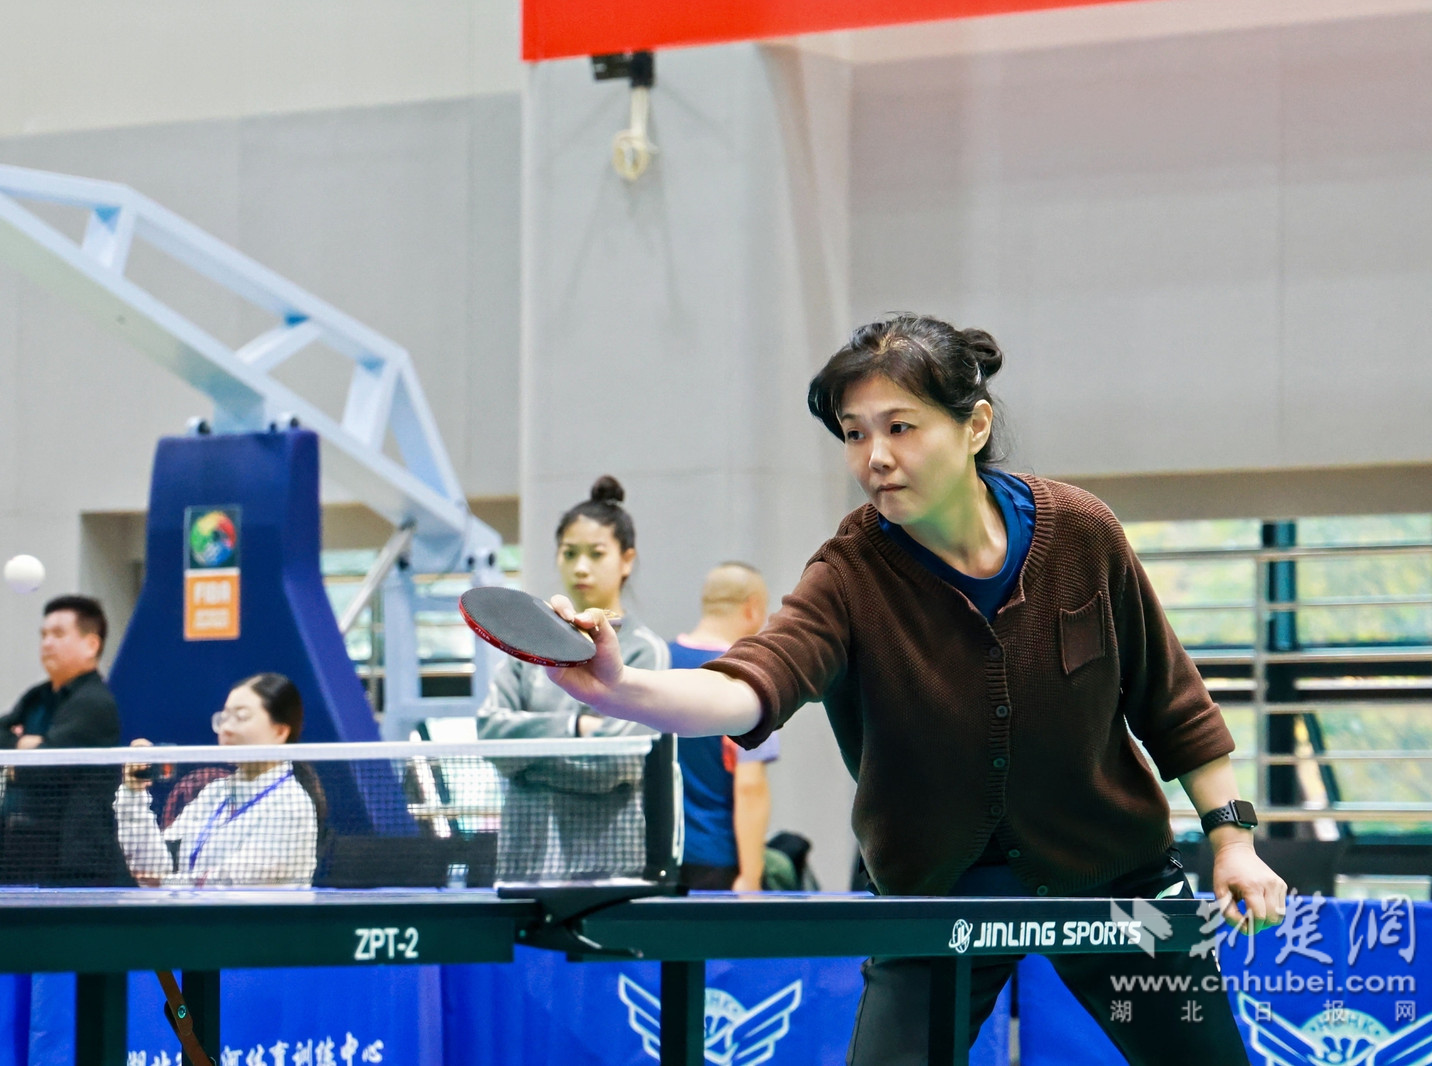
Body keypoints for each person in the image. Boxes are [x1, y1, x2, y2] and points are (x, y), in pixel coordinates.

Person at [537, 315, 1286, 1065]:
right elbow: (756, 681)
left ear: (974, 426)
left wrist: (1233, 842)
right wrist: (619, 687)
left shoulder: (1082, 533)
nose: (876, 457)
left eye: (900, 427)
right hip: (937, 890)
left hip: (1113, 878)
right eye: (854, 433)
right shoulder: (848, 571)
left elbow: (1171, 701)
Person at [477, 476, 670, 881]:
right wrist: (575, 729)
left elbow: (614, 764)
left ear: (626, 560)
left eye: (596, 554)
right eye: (569, 553)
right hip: (523, 862)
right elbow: (490, 734)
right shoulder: (525, 646)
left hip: (608, 867)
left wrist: (525, 762)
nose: (581, 567)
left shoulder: (644, 651)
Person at [0, 595, 132, 886]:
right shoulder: (36, 697)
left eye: (58, 634)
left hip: (72, 863)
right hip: (17, 855)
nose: (47, 643)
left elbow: (44, 767)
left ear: (91, 645)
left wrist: (17, 757)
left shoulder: (94, 703)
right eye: (44, 635)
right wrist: (23, 748)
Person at [116, 673, 323, 888]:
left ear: (280, 731)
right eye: (224, 718)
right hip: (189, 909)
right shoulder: (215, 793)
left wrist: (164, 882)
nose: (226, 729)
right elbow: (152, 867)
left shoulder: (292, 805)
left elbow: (230, 883)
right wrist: (133, 794)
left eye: (241, 717)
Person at [669, 562, 779, 891]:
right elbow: (749, 786)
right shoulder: (751, 676)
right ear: (752, 608)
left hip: (659, 854)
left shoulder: (659, 661)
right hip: (718, 862)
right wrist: (751, 876)